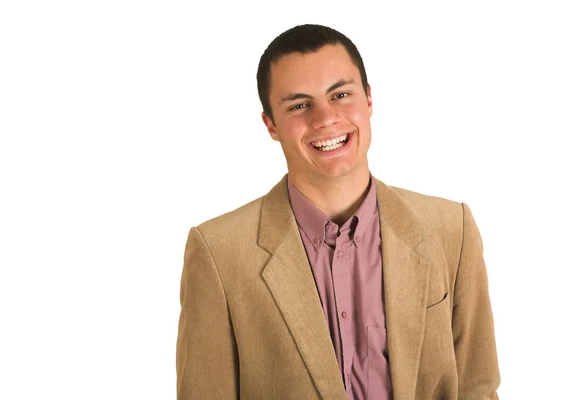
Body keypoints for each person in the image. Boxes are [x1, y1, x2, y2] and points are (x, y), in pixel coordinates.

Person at [176, 24, 500, 400]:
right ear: (271, 125)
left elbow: (478, 388)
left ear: (368, 99)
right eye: (299, 105)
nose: (325, 118)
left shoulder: (451, 229)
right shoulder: (219, 252)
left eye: (341, 95)